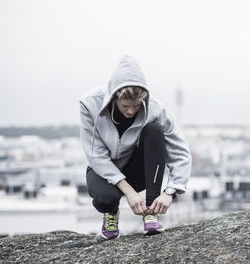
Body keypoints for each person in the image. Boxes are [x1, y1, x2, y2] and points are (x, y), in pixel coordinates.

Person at [79, 55, 192, 239]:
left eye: (136, 106)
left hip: (136, 169)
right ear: (114, 97)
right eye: (125, 106)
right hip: (103, 171)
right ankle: (111, 213)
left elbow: (181, 153)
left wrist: (170, 193)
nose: (131, 111)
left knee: (154, 131)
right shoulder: (89, 104)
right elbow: (96, 155)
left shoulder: (156, 109)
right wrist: (129, 192)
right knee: (106, 199)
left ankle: (150, 212)